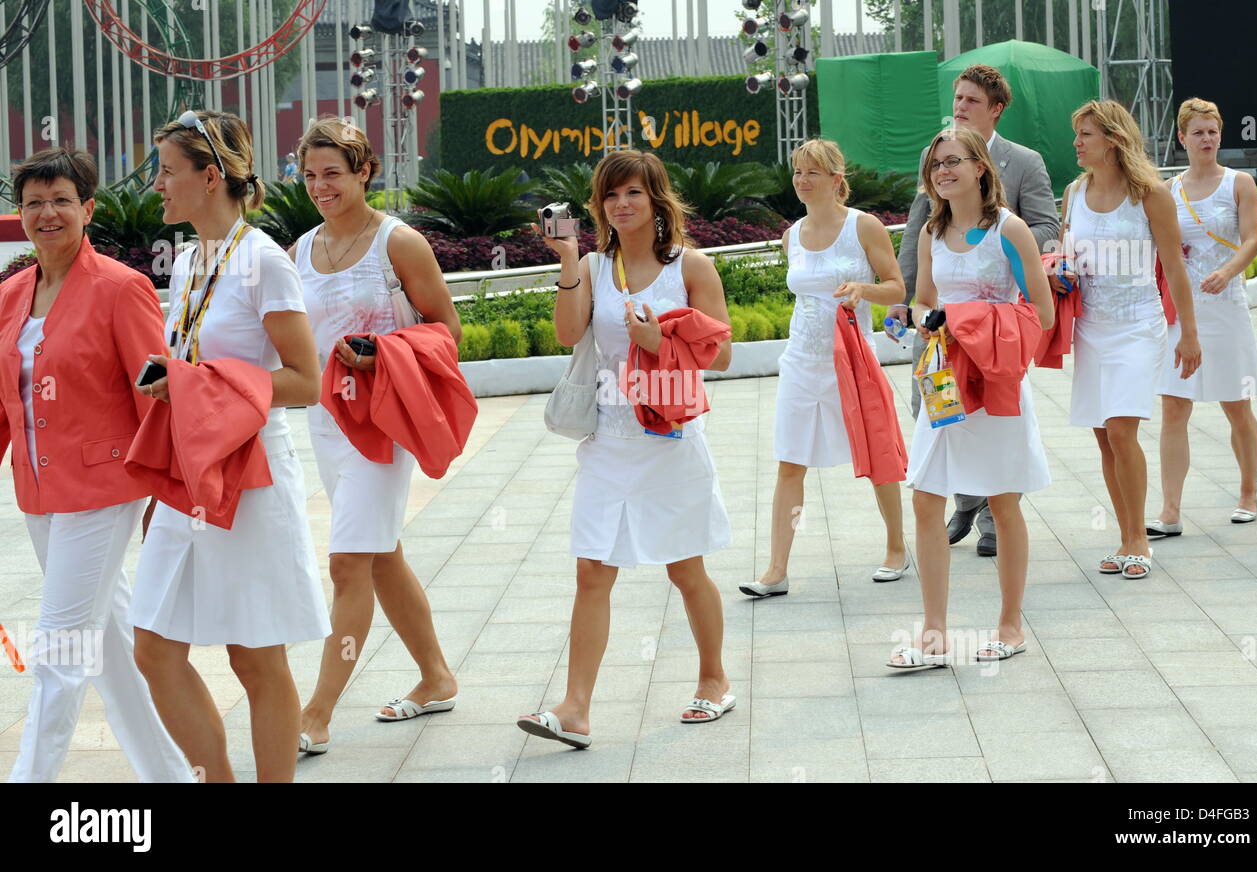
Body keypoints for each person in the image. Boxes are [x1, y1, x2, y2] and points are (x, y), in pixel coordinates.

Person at [130, 110, 331, 782]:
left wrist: (199, 385)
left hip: (250, 474)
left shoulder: (264, 260)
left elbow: (307, 380)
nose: (156, 183)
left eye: (167, 170)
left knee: (256, 656)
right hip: (189, 471)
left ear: (209, 176)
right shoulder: (190, 259)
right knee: (154, 647)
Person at [517, 149, 734, 748]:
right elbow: (567, 334)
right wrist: (566, 261)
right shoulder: (592, 266)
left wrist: (659, 340)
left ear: (656, 199)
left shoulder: (689, 267)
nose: (621, 204)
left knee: (685, 568)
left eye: (633, 193)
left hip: (669, 438)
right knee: (592, 571)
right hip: (609, 438)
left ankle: (713, 679)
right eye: (611, 196)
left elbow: (723, 352)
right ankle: (576, 707)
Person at [0, 147, 191, 783]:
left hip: (105, 489)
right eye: (34, 203)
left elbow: (155, 393)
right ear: (18, 213)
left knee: (58, 647)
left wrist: (165, 491)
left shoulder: (119, 287)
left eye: (61, 200)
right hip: (39, 490)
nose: (46, 213)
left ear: (87, 209)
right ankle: (169, 773)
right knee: (106, 647)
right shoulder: (10, 296)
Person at [291, 116, 463, 755]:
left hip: (382, 425)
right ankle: (436, 675)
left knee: (348, 564)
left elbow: (448, 331)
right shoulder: (298, 250)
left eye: (333, 173)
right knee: (380, 551)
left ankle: (316, 712)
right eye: (310, 175)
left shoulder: (400, 243)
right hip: (326, 424)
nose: (320, 186)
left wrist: (379, 356)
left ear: (365, 171)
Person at [887, 128, 1053, 668]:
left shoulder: (1011, 229)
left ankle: (1012, 625)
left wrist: (973, 322)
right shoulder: (932, 232)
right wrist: (919, 318)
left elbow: (1043, 315)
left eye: (953, 161)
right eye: (935, 164)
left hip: (996, 381)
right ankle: (934, 633)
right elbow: (925, 301)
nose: (942, 171)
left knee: (1004, 502)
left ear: (981, 167)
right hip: (943, 380)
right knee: (924, 494)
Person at [892, 63, 1059, 558]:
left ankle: (991, 516)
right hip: (941, 346)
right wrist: (909, 304)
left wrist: (1006, 240)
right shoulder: (933, 159)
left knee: (994, 437)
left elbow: (1047, 225)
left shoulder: (1024, 162)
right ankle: (965, 502)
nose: (960, 106)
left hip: (995, 338)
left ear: (995, 109)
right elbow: (917, 231)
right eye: (957, 97)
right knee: (936, 422)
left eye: (971, 100)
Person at [741, 137, 909, 599]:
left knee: (877, 453)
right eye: (797, 171)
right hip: (801, 361)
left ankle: (897, 547)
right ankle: (777, 569)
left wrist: (863, 290)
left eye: (813, 171)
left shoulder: (865, 226)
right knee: (789, 461)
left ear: (837, 179)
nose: (802, 180)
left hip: (853, 359)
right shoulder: (791, 234)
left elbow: (896, 287)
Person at [1062, 100, 1201, 580]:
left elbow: (1175, 268)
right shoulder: (1074, 193)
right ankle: (1124, 537)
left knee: (1122, 430)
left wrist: (1190, 334)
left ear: (1113, 140)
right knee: (1105, 438)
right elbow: (1067, 257)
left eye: (1085, 134)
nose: (1076, 143)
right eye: (1076, 134)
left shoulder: (1151, 194)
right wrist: (1059, 272)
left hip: (1139, 325)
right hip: (1091, 327)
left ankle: (1139, 538)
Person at [1148, 98, 1257, 535]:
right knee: (1174, 407)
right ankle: (1170, 510)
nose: (1207, 139)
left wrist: (1228, 270)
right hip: (1181, 310)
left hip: (1226, 306)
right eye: (1198, 132)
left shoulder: (1240, 182)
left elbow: (1253, 239)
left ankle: (1249, 492)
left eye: (1213, 131)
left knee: (1237, 405)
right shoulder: (1169, 189)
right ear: (1182, 138)